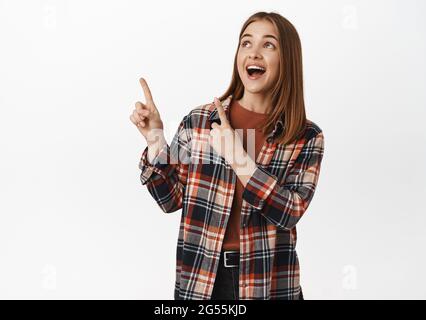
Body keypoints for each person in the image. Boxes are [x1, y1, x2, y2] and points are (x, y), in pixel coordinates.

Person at [130, 11, 324, 300]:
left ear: (288, 60)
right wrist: (155, 138)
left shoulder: (305, 136)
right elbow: (170, 200)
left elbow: (290, 212)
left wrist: (238, 158)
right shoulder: (200, 121)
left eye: (268, 45)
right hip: (202, 280)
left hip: (268, 285)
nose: (254, 53)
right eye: (246, 43)